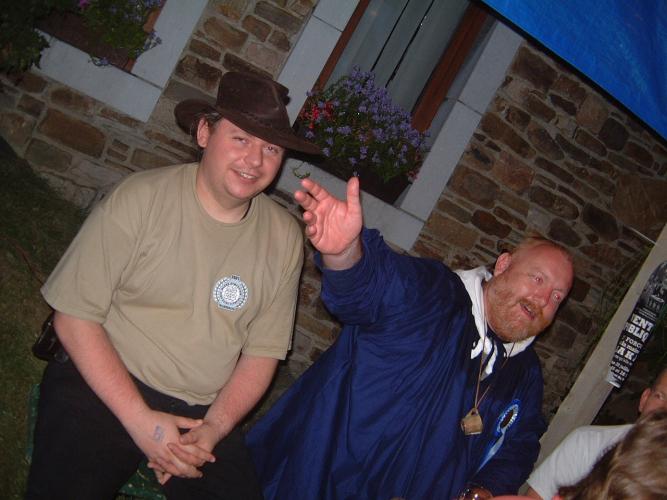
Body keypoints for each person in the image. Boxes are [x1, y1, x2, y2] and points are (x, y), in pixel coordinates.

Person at [26, 71, 320, 499]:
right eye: (241, 139)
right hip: (105, 379)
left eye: (271, 148)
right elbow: (72, 317)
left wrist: (214, 429)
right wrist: (142, 423)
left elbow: (262, 354)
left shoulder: (284, 238)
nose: (255, 160)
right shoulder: (140, 198)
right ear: (204, 133)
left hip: (202, 411)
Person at [246, 177, 575, 499]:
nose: (542, 299)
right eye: (537, 279)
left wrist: (484, 489)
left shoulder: (525, 374)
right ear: (503, 265)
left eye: (557, 297)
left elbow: (521, 443)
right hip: (319, 478)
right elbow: (374, 285)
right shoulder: (433, 294)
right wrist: (344, 254)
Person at [526, 366, 667, 499]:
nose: (663, 410)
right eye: (660, 396)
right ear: (644, 399)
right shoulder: (588, 443)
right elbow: (537, 496)